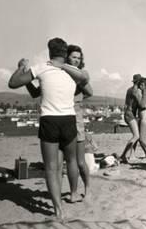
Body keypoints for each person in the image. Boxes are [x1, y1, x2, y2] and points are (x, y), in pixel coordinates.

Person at [8, 38, 87, 219]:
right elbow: (85, 80)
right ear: (65, 53)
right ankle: (74, 193)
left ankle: (58, 210)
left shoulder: (42, 67)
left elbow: (13, 83)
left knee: (51, 168)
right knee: (72, 160)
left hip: (50, 120)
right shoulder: (73, 71)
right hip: (69, 119)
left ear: (49, 52)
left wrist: (22, 67)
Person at [25, 44, 93, 200]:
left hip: (74, 117)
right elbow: (36, 93)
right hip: (60, 118)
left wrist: (76, 100)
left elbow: (90, 91)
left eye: (79, 58)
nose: (77, 60)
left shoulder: (77, 74)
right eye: (74, 57)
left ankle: (87, 187)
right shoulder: (54, 73)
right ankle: (66, 192)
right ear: (66, 56)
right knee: (60, 162)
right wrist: (27, 80)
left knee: (80, 161)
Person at [119, 74, 143, 163]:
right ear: (139, 82)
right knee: (136, 136)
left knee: (136, 136)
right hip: (130, 114)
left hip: (127, 113)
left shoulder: (129, 89)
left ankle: (132, 155)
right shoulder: (136, 91)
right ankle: (123, 155)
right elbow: (141, 104)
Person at [134, 77, 146, 160]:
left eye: (142, 85)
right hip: (144, 116)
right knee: (139, 138)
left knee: (142, 139)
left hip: (144, 116)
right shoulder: (144, 93)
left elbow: (142, 104)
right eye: (140, 84)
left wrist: (137, 97)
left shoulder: (145, 93)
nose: (140, 86)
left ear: (145, 86)